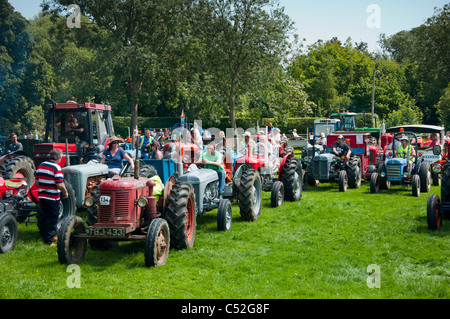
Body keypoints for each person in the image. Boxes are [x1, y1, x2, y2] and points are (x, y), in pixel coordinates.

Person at [35, 148, 69, 246]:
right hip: (52, 197)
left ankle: (47, 235)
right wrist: (65, 192)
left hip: (42, 196)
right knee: (52, 218)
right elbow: (59, 184)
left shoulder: (41, 166)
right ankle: (48, 241)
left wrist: (43, 189)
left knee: (44, 216)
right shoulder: (56, 168)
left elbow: (37, 182)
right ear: (59, 158)